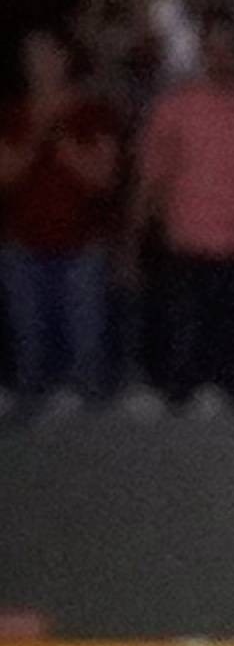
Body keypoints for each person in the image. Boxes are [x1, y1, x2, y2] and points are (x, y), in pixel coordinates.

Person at [129, 10, 234, 409]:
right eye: (214, 48)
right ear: (201, 52)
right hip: (188, 248)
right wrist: (133, 241)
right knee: (183, 367)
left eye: (230, 48)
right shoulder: (175, 109)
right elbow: (151, 179)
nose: (222, 56)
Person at [0, 29, 123, 411]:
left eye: (49, 54)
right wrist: (38, 134)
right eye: (33, 56)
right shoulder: (11, 114)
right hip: (23, 247)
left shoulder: (94, 113)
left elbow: (103, 177)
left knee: (85, 351)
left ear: (66, 58)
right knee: (30, 351)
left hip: (81, 249)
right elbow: (5, 174)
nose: (42, 65)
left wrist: (63, 142)